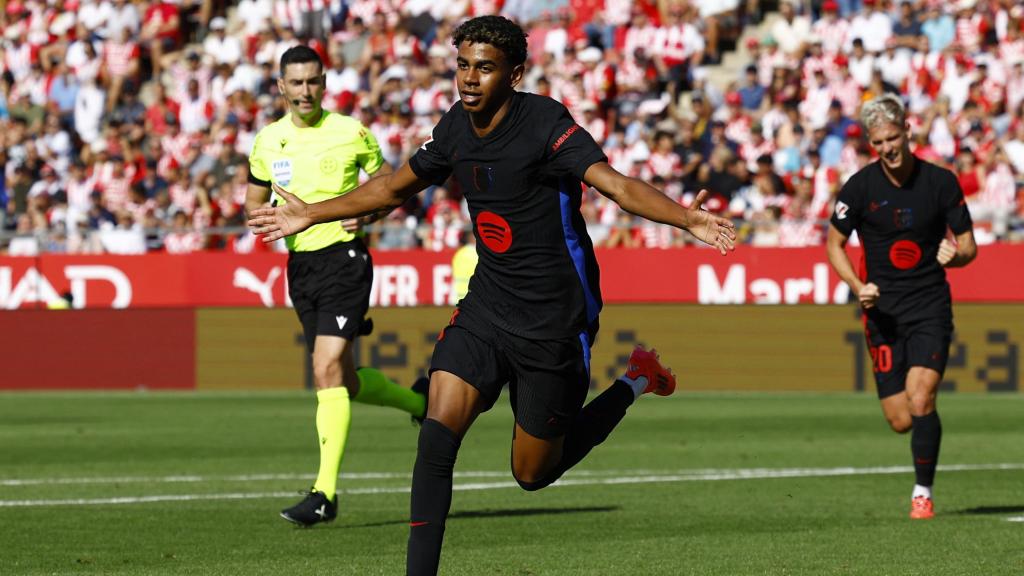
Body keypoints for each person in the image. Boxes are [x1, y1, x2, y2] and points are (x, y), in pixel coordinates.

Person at [248, 16, 736, 573]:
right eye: (462, 66)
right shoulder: (455, 126)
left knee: (532, 473)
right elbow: (392, 186)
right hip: (486, 305)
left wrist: (685, 219)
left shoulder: (546, 122)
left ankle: (636, 379)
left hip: (555, 317)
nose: (469, 79)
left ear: (515, 74)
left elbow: (617, 185)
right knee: (435, 437)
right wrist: (310, 212)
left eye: (484, 67)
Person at [246, 45, 429, 528]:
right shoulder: (267, 141)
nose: (306, 91)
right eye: (296, 82)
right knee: (343, 380)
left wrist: (367, 213)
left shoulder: (351, 133)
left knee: (324, 367)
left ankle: (324, 493)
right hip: (300, 268)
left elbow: (391, 184)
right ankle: (419, 402)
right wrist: (262, 217)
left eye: (313, 81)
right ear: (281, 86)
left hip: (346, 261)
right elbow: (252, 201)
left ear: (323, 83)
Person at [826, 94, 977, 520]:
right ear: (871, 145)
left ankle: (922, 492)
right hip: (882, 315)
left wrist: (957, 255)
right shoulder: (859, 188)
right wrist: (857, 286)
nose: (887, 148)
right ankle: (923, 431)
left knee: (921, 396)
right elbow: (833, 244)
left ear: (908, 132)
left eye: (893, 138)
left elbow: (969, 246)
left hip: (930, 305)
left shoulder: (940, 182)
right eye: (878, 143)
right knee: (900, 418)